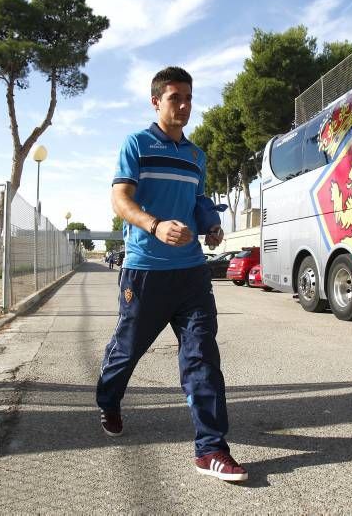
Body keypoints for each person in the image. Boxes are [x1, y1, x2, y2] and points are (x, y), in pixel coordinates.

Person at [96, 66, 247, 482]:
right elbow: (120, 199)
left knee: (202, 357)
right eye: (174, 97)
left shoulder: (197, 155)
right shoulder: (137, 144)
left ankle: (211, 448)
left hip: (192, 274)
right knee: (127, 351)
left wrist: (210, 226)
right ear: (156, 101)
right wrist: (154, 224)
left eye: (188, 98)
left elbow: (197, 201)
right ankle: (108, 398)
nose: (183, 105)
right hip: (145, 272)